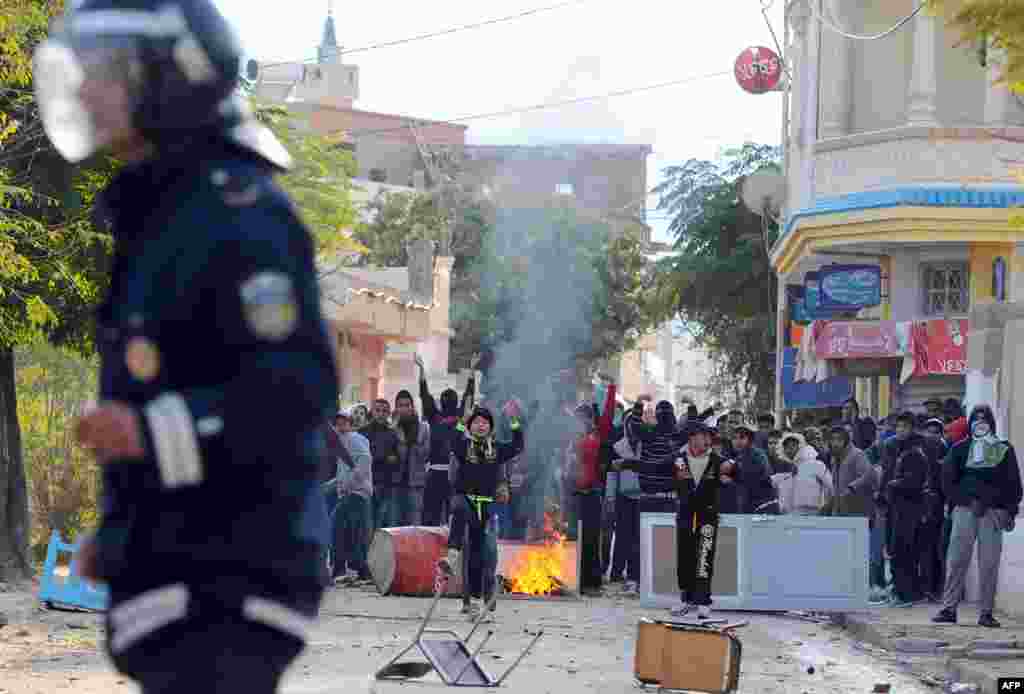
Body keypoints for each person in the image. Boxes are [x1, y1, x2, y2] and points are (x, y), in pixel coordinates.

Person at [55, 2, 338, 691]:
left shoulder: (239, 213)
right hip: (184, 568)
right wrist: (123, 533)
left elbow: (295, 394)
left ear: (171, 79)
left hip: (234, 576)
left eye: (105, 73)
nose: (86, 89)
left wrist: (149, 432)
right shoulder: (163, 214)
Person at [621, 422, 725, 620]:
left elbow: (738, 475)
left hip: (708, 515)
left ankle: (703, 601)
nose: (708, 440)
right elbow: (652, 466)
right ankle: (686, 598)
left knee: (704, 556)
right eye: (704, 436)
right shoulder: (678, 460)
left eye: (709, 437)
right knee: (685, 555)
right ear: (692, 437)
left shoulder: (717, 460)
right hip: (685, 513)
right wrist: (628, 463)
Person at [934, 405, 1022, 628]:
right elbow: (947, 482)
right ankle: (948, 608)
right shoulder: (960, 449)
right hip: (965, 510)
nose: (980, 423)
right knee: (957, 559)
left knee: (989, 563)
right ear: (970, 423)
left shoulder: (1003, 449)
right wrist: (967, 500)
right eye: (976, 419)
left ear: (991, 423)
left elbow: (1013, 484)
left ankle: (986, 612)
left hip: (993, 512)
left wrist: (1009, 511)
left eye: (984, 419)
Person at [438, 407, 524, 620]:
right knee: (458, 508)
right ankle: (451, 555)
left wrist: (514, 420)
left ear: (491, 427)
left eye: (485, 422)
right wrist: (461, 421)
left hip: (485, 506)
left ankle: (477, 600)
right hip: (464, 499)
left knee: (481, 554)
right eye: (475, 422)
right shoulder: (463, 446)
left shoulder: (496, 449)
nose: (480, 425)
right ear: (470, 426)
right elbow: (452, 441)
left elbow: (517, 446)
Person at [415, 355, 475, 527]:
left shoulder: (455, 417)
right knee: (430, 514)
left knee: (454, 513)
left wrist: (471, 372)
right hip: (436, 473)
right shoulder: (436, 416)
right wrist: (422, 371)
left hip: (454, 473)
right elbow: (424, 395)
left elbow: (468, 396)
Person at [571, 383, 616, 596]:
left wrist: (611, 389)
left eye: (584, 418)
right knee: (571, 537)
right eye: (578, 418)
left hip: (592, 493)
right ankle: (573, 578)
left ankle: (590, 582)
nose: (581, 422)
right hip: (572, 494)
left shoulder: (598, 435)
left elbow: (607, 414)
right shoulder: (571, 438)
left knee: (590, 538)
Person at [882, 425, 929, 607]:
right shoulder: (913, 455)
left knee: (903, 553)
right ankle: (905, 592)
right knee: (902, 553)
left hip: (907, 511)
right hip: (904, 510)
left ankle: (906, 594)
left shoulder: (913, 456)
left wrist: (892, 484)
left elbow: (913, 481)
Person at [332, 409, 373, 584]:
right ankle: (359, 570)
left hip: (355, 493)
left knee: (340, 529)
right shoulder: (342, 442)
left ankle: (343, 569)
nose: (340, 426)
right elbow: (344, 473)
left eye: (344, 422)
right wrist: (330, 486)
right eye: (337, 423)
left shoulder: (353, 439)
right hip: (353, 493)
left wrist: (348, 485)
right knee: (354, 532)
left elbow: (365, 460)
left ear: (350, 424)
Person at [392, 390, 431, 526]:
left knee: (415, 522)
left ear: (412, 406)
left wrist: (412, 443)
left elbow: (425, 456)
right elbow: (393, 455)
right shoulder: (392, 428)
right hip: (395, 483)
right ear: (396, 408)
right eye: (400, 405)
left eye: (407, 405)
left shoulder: (423, 428)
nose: (404, 408)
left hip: (416, 483)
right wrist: (397, 433)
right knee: (396, 523)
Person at [361, 399, 401, 530]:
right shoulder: (363, 432)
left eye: (384, 411)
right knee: (367, 523)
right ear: (372, 412)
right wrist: (384, 457)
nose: (381, 414)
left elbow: (396, 459)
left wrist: (388, 458)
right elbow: (364, 457)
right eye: (377, 410)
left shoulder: (392, 433)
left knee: (381, 523)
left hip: (386, 484)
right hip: (366, 484)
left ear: (388, 413)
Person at [730, 425, 780, 514]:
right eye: (734, 438)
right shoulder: (739, 457)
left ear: (749, 440)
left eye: (742, 438)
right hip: (748, 502)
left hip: (762, 504)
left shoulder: (758, 455)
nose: (737, 441)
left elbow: (765, 476)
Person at [774, 444, 833, 516]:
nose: (790, 449)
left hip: (812, 514)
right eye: (787, 447)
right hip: (787, 515)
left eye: (793, 445)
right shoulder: (782, 466)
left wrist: (827, 506)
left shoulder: (816, 465)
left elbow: (831, 486)